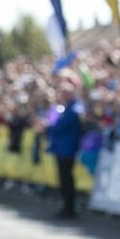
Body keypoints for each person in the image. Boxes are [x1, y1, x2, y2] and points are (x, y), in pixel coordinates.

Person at [45, 81, 83, 219]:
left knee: (67, 178)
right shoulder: (62, 108)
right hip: (60, 148)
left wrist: (49, 126)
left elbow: (59, 126)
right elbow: (52, 123)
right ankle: (66, 206)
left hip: (68, 148)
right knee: (63, 178)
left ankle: (69, 208)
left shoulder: (74, 108)